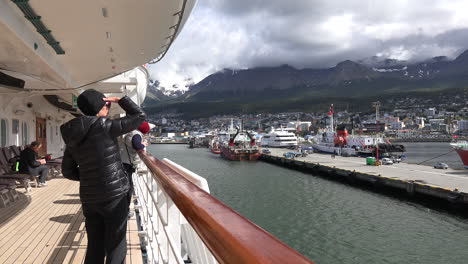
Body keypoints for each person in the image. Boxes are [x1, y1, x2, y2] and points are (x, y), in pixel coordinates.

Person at [60, 89, 145, 264]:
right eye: (106, 104)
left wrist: (88, 178)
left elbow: (67, 171)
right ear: (100, 107)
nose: (107, 108)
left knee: (95, 244)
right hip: (114, 196)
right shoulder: (105, 126)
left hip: (90, 198)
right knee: (116, 243)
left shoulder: (71, 134)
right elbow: (139, 116)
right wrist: (121, 99)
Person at [119, 121, 151, 204]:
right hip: (127, 163)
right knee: (128, 188)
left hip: (121, 161)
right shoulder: (137, 134)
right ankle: (125, 209)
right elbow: (137, 145)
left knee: (124, 186)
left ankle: (124, 208)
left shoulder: (130, 132)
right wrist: (143, 144)